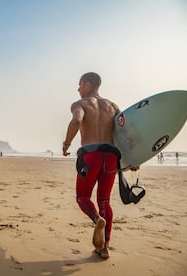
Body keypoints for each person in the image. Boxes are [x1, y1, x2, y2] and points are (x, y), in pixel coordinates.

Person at [62, 72, 121, 260]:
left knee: (82, 197)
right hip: (111, 156)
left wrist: (66, 144)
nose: (78, 89)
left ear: (87, 84)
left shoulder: (80, 104)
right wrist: (133, 159)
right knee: (104, 200)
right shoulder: (113, 106)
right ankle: (104, 248)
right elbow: (126, 133)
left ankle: (97, 220)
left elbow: (77, 120)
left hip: (91, 156)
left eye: (80, 85)